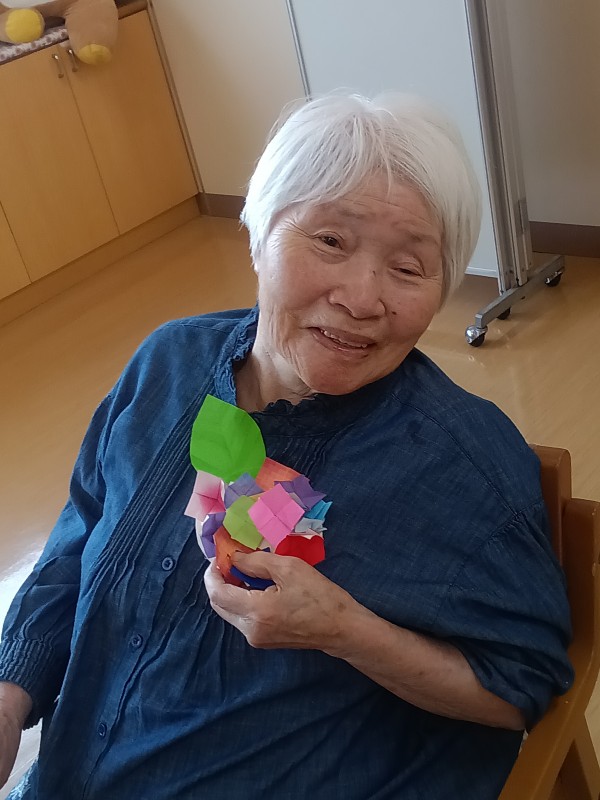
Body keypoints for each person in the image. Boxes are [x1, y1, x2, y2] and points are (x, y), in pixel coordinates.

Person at [0, 93, 572, 799]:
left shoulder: (460, 464)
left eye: (409, 267)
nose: (361, 299)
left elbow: (523, 684)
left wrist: (346, 630)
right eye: (330, 241)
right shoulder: (168, 364)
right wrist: (10, 697)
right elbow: (80, 539)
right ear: (257, 233)